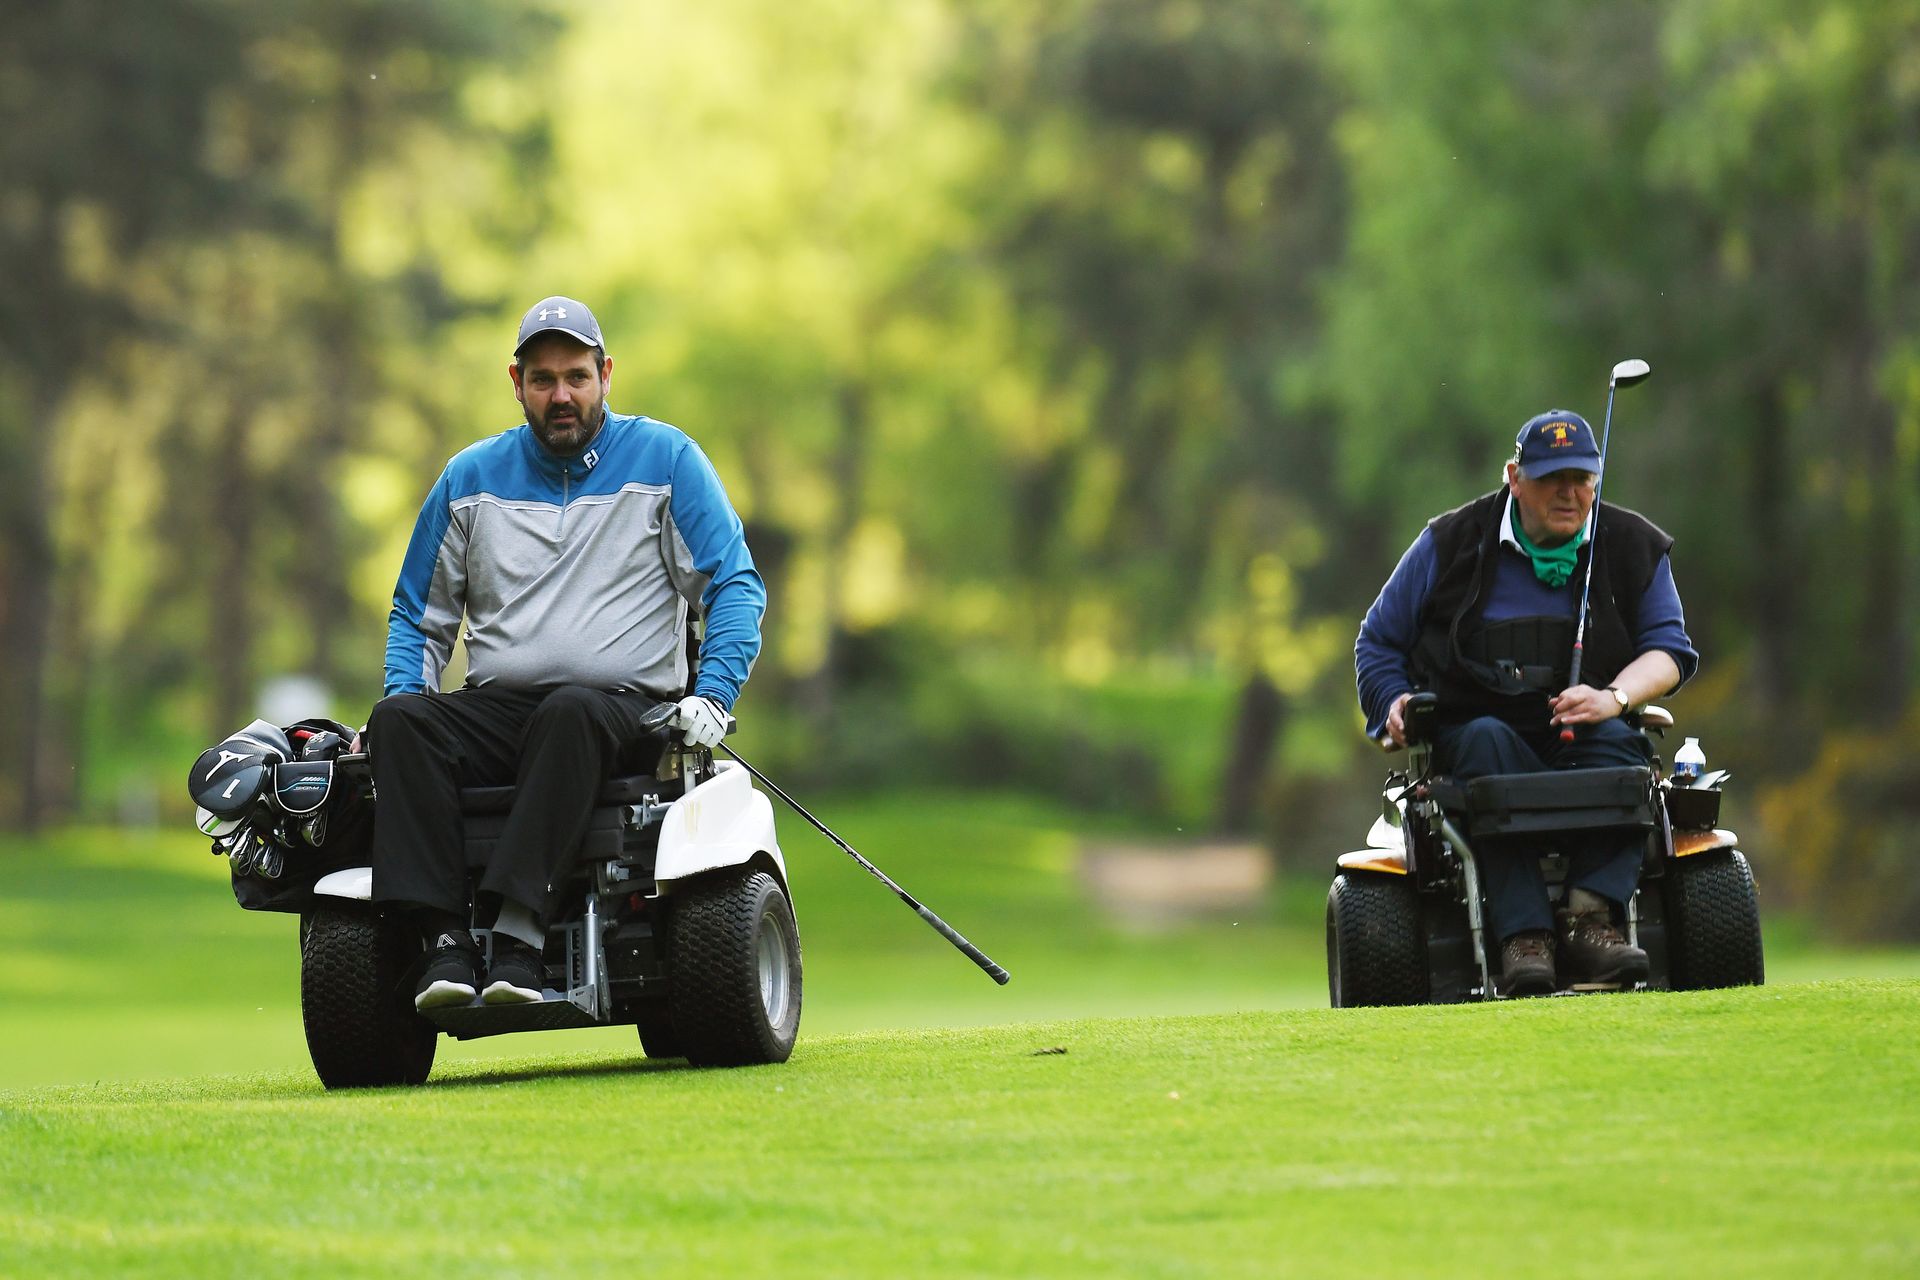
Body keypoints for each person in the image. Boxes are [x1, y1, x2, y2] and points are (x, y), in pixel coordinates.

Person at [370, 296, 765, 1010]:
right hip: (503, 709)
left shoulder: (667, 460)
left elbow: (734, 586)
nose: (562, 396)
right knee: (401, 722)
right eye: (544, 379)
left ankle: (517, 938)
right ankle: (443, 945)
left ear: (605, 375)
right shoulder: (468, 479)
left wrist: (714, 693)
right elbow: (417, 618)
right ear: (516, 382)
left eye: (576, 377)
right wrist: (406, 688)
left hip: (625, 714)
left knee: (571, 710)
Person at [1354, 408, 1697, 996]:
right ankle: (1523, 936)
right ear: (1514, 477)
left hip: (1591, 725)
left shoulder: (1634, 545)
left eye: (1582, 478)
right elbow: (1378, 643)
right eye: (1550, 479)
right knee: (1487, 739)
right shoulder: (1450, 541)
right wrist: (1395, 700)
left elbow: (1668, 651)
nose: (1569, 493)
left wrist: (1613, 697)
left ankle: (1592, 921)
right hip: (1478, 736)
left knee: (1626, 751)